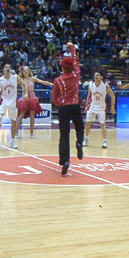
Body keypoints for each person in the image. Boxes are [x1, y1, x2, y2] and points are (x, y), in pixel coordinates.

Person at [52, 41, 84, 176]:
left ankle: (65, 160)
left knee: (64, 135)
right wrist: (71, 47)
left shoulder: (58, 80)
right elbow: (75, 58)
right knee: (79, 127)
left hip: (64, 108)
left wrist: (60, 104)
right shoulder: (76, 74)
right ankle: (79, 142)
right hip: (75, 106)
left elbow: (54, 97)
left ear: (63, 68)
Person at [0, 64, 28, 149]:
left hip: (13, 103)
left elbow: (25, 84)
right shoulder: (0, 79)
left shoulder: (15, 77)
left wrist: (26, 93)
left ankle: (12, 141)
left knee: (13, 122)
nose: (7, 69)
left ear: (10, 69)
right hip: (4, 102)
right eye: (6, 67)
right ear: (3, 69)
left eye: (9, 67)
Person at [15, 66, 53, 138]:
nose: (26, 72)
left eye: (27, 70)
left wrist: (52, 84)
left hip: (32, 97)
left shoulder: (33, 79)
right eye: (24, 71)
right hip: (24, 97)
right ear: (22, 72)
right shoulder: (21, 79)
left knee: (32, 116)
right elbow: (13, 85)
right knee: (21, 115)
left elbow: (43, 82)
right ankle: (16, 132)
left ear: (29, 71)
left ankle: (32, 133)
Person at [83, 70, 116, 149]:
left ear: (101, 77)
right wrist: (86, 106)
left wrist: (112, 107)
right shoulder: (91, 85)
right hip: (92, 106)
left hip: (101, 107)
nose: (95, 76)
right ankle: (86, 139)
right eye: (95, 75)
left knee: (102, 124)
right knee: (88, 123)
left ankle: (105, 141)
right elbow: (89, 96)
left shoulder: (105, 86)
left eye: (97, 75)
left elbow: (113, 96)